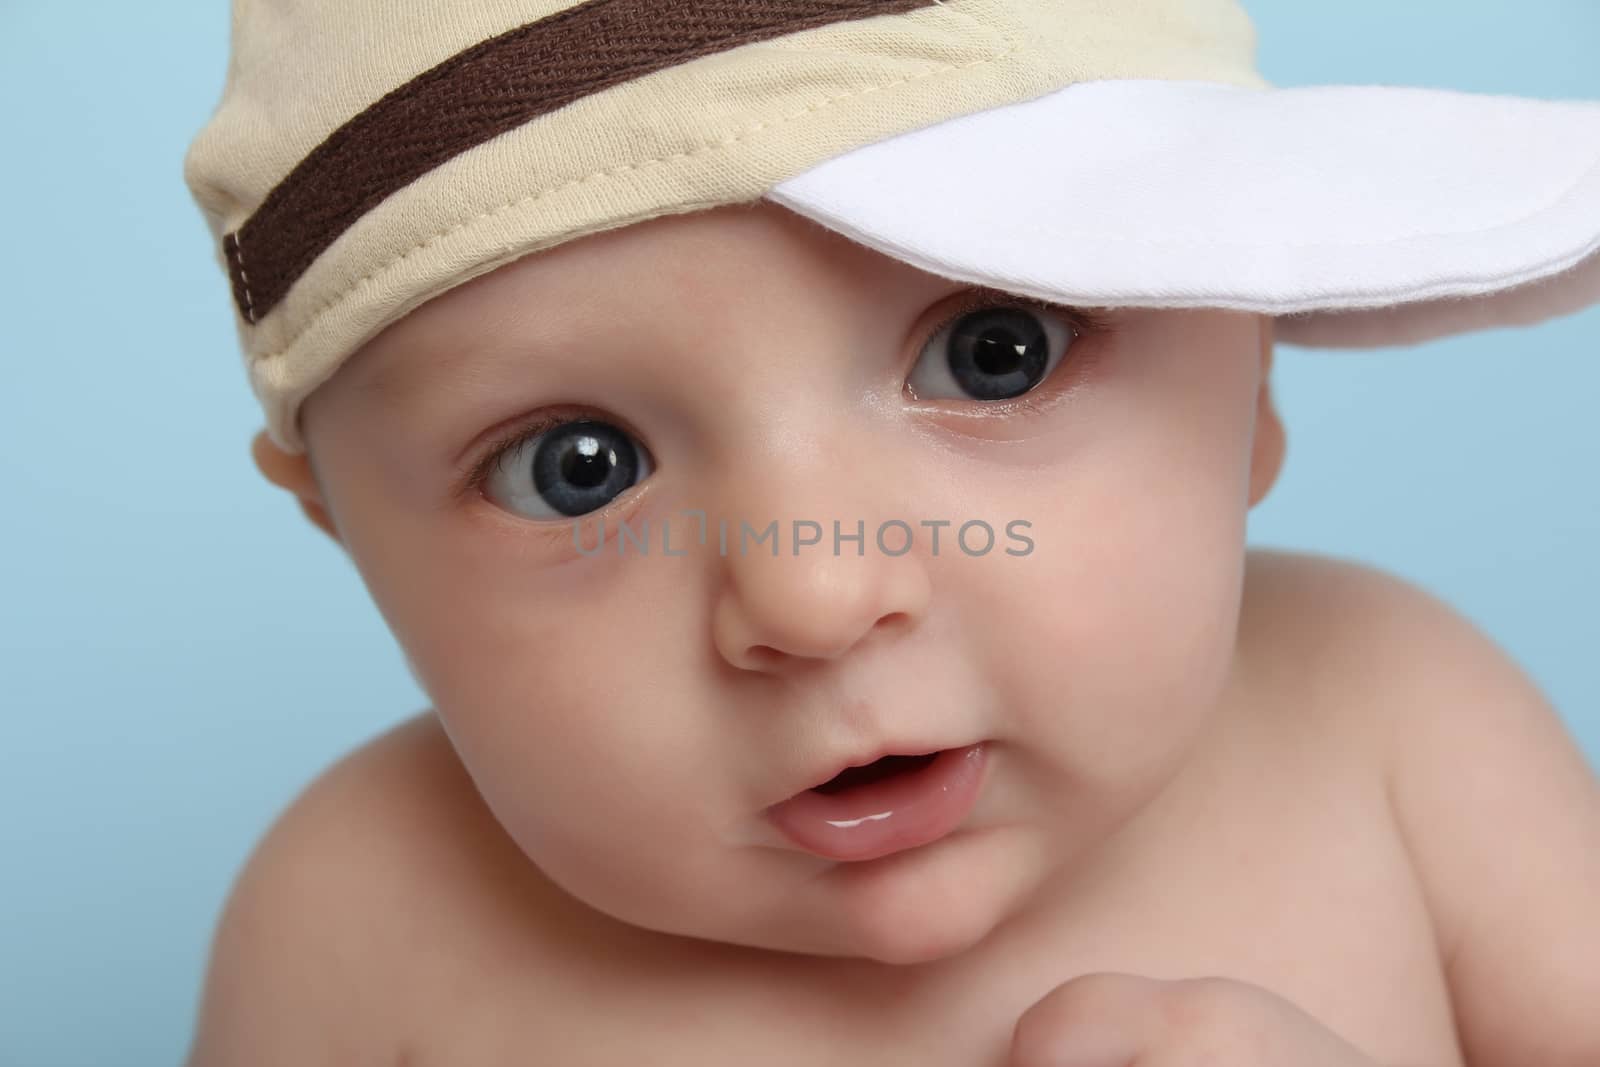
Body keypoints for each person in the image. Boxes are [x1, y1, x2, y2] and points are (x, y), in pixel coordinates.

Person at [180, 1, 1600, 1063]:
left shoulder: (1396, 726)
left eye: (995, 353)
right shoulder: (360, 922)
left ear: (1254, 379)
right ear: (349, 535)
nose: (811, 595)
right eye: (578, 466)